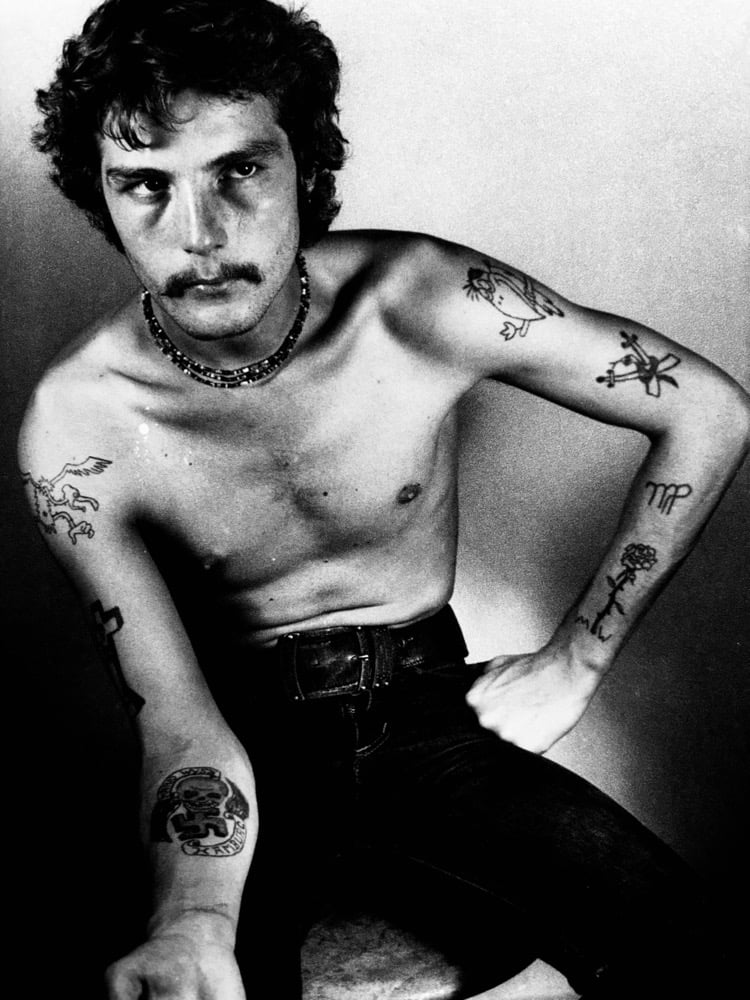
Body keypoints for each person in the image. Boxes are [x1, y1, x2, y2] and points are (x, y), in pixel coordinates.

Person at [20, 1, 748, 998]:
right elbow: (178, 720)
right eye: (146, 184)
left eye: (240, 169)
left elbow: (706, 408)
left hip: (434, 726)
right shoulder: (78, 429)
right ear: (102, 197)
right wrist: (194, 919)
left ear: (304, 167)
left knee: (702, 958)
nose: (199, 234)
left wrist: (576, 660)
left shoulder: (418, 297)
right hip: (246, 751)